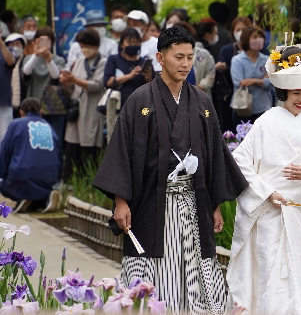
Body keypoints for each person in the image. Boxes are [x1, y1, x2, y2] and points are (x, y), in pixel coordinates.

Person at [92, 26, 248, 314]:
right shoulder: (139, 100)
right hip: (152, 203)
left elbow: (215, 154)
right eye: (178, 57)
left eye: (190, 57)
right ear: (160, 58)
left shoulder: (201, 101)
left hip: (193, 201)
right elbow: (122, 151)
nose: (185, 64)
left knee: (195, 262)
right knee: (154, 263)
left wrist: (214, 204)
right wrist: (120, 201)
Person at [227, 45, 301, 315]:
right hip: (272, 211)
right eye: (296, 93)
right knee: (272, 275)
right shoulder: (266, 123)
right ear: (284, 92)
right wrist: (268, 192)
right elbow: (240, 161)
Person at [60, 29, 106, 182]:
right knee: (72, 146)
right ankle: (70, 181)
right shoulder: (79, 62)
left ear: (95, 46)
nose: (83, 49)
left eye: (86, 45)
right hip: (76, 108)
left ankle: (88, 183)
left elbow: (97, 85)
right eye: (82, 46)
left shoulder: (103, 62)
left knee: (89, 146)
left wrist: (73, 79)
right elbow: (72, 88)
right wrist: (66, 81)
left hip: (91, 109)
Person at [1, 98, 61, 214]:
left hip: (21, 177)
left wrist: (3, 175)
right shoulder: (49, 126)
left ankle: (24, 198)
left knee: (5, 184)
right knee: (38, 185)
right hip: (48, 179)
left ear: (21, 112)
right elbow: (59, 153)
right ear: (41, 111)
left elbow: (4, 152)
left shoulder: (16, 124)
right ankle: (44, 199)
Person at [103, 28, 154, 140]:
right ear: (122, 44)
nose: (133, 45)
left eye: (136, 42)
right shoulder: (114, 59)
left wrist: (149, 77)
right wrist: (129, 76)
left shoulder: (143, 62)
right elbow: (108, 82)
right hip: (119, 108)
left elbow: (154, 88)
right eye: (130, 42)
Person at [22, 27, 66, 148]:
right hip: (33, 106)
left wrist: (48, 59)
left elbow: (56, 76)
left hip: (54, 107)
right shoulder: (28, 59)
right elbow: (26, 72)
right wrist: (36, 55)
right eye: (40, 41)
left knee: (55, 141)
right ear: (35, 41)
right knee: (33, 142)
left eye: (48, 41)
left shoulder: (59, 60)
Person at [230, 25, 274, 125]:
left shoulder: (267, 60)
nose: (259, 39)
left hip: (263, 107)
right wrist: (262, 80)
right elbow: (239, 82)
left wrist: (253, 81)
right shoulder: (237, 60)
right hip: (243, 108)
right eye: (254, 37)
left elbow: (272, 83)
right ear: (246, 39)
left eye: (260, 37)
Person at [216, 16, 252, 132]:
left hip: (256, 97)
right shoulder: (227, 50)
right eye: (237, 30)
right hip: (232, 96)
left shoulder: (258, 50)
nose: (241, 33)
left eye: (244, 29)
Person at [173, 21, 215, 99]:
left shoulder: (204, 54)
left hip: (199, 98)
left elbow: (210, 75)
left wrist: (199, 87)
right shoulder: (169, 55)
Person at [5, 33, 27, 119]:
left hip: (23, 101)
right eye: (12, 44)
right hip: (7, 102)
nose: (15, 47)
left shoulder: (26, 61)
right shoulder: (4, 63)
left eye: (18, 44)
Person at [0, 30, 15, 143]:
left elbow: (10, 62)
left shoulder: (7, 50)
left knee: (5, 137)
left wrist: (0, 42)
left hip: (4, 99)